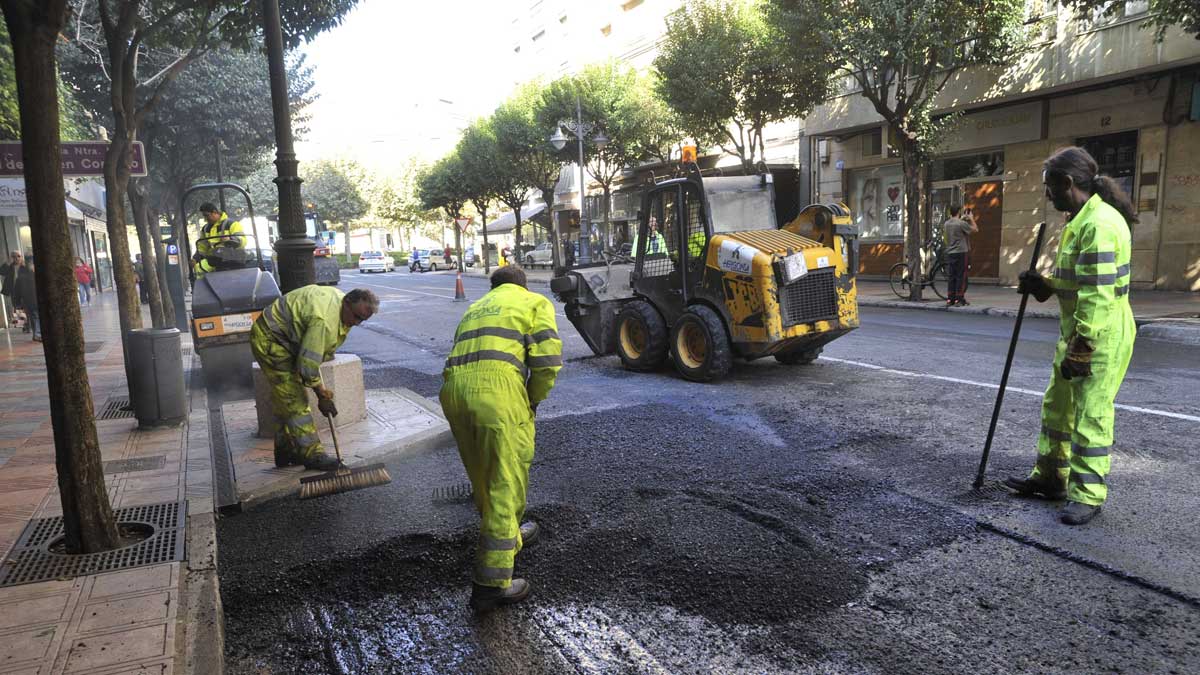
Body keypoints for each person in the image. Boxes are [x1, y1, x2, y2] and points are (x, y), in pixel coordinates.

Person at [1004, 146, 1138, 526]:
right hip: (1078, 329)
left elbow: (1098, 292)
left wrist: (1084, 343)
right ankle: (1050, 478)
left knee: (1090, 416)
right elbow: (1076, 284)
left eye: (1050, 187)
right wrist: (1043, 286)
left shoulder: (1099, 224)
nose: (1047, 195)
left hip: (1099, 333)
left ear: (1067, 183)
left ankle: (1088, 495)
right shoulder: (1079, 219)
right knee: (1058, 408)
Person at [439, 266, 563, 612]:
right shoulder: (532, 302)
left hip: (454, 391)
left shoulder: (476, 307)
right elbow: (548, 362)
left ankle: (509, 535)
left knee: (484, 475)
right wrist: (533, 398)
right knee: (505, 481)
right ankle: (490, 585)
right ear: (521, 285)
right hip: (497, 393)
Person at [249, 286, 379, 470]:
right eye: (356, 317)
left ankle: (286, 451)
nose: (357, 323)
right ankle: (312, 455)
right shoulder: (324, 321)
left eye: (363, 320)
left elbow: (313, 356)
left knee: (284, 400)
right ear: (347, 303)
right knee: (294, 400)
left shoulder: (340, 304)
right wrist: (321, 396)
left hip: (285, 340)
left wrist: (321, 391)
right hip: (271, 341)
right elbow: (307, 368)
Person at [192, 202, 245, 280]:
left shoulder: (232, 224)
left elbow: (243, 240)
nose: (205, 219)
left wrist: (230, 239)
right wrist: (195, 259)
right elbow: (202, 248)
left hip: (233, 257)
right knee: (198, 267)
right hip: (214, 259)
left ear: (214, 212)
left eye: (207, 215)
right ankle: (203, 289)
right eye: (204, 216)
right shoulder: (206, 229)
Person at [942, 205, 977, 307]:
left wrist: (962, 219)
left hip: (951, 252)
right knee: (961, 275)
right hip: (961, 252)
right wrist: (971, 219)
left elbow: (954, 226)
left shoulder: (946, 224)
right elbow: (975, 229)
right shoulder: (961, 223)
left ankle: (950, 298)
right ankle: (959, 298)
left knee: (952, 276)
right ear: (958, 212)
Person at [13, 258, 39, 341]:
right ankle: (37, 334)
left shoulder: (20, 278)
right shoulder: (34, 275)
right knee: (35, 316)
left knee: (33, 316)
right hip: (34, 300)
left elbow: (16, 292)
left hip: (28, 301)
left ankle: (36, 333)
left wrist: (17, 303)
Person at [1, 250, 21, 325]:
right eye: (14, 257)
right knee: (16, 305)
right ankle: (23, 322)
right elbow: (2, 272)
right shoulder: (10, 266)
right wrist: (8, 261)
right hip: (14, 290)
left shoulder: (24, 265)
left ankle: (27, 323)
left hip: (25, 289)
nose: (17, 258)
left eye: (18, 256)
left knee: (26, 307)